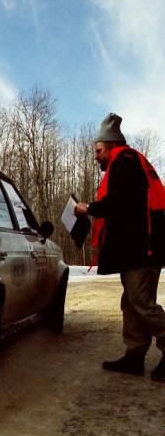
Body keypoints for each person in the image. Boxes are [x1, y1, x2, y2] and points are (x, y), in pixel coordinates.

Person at [75, 113, 165, 381]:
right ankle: (135, 355)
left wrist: (89, 208)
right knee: (132, 301)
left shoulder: (124, 162)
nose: (96, 156)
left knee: (140, 301)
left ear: (111, 146)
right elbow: (125, 203)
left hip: (143, 249)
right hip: (141, 247)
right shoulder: (128, 160)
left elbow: (119, 203)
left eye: (99, 150)